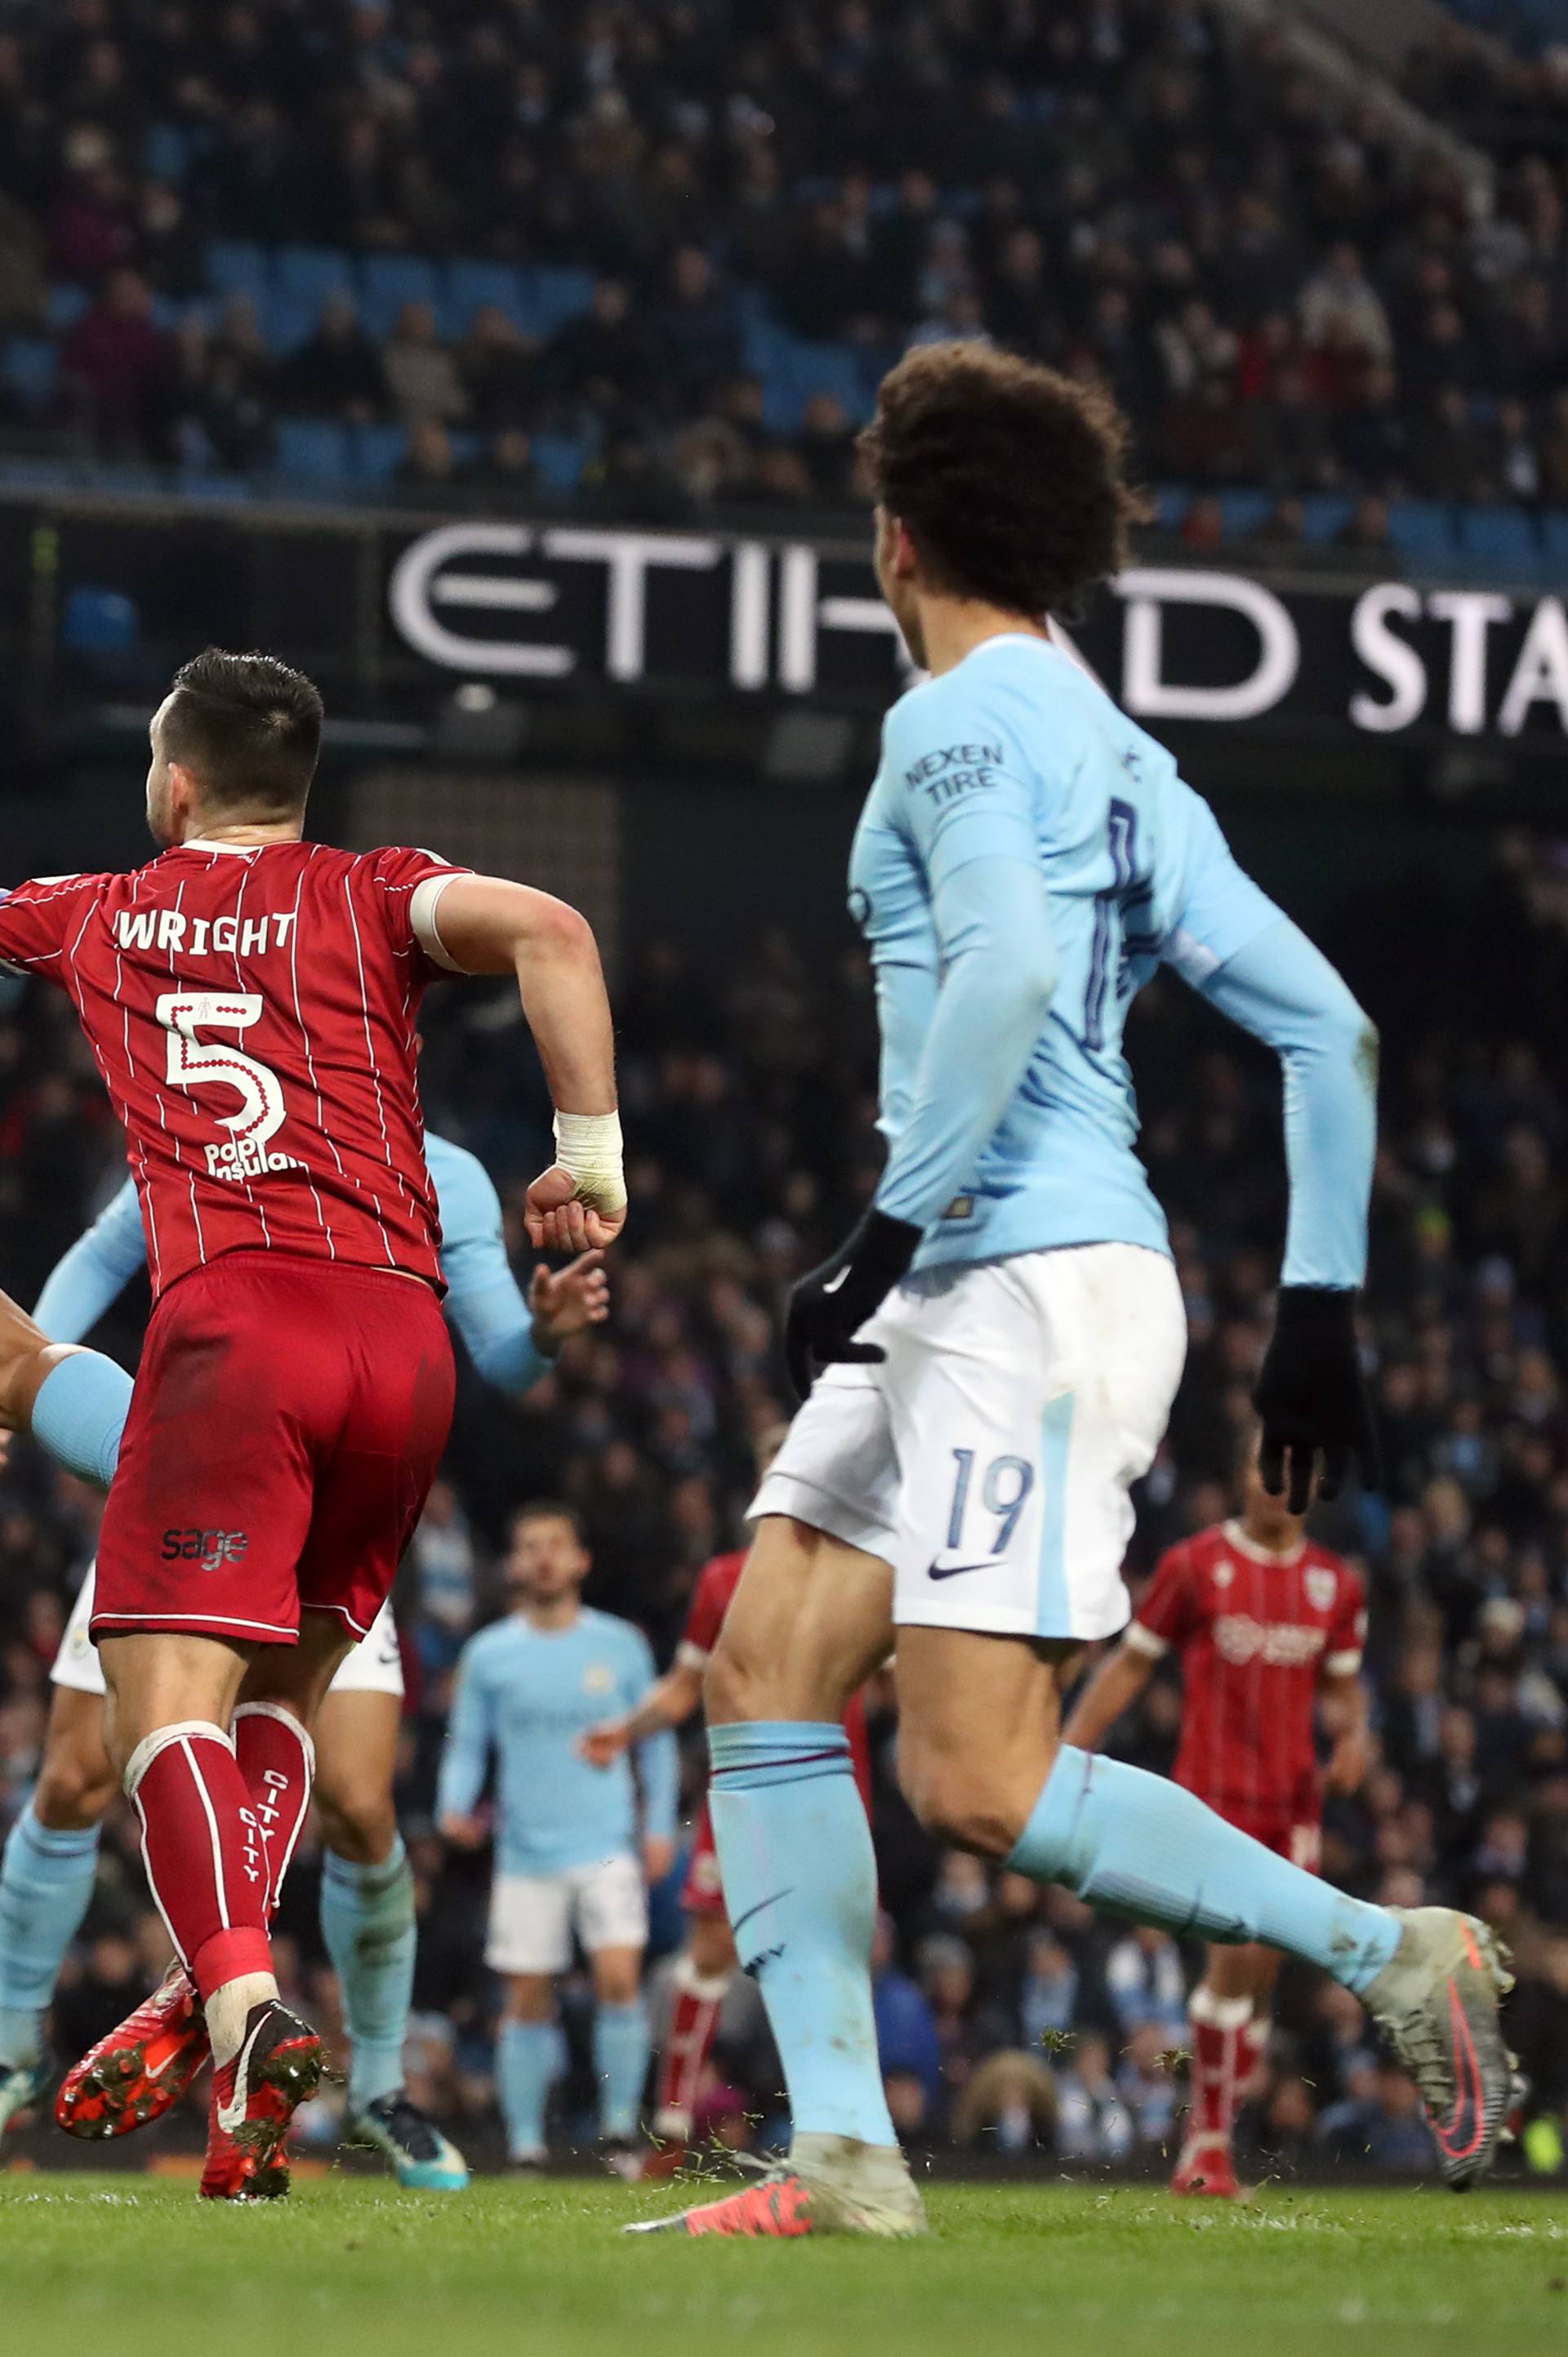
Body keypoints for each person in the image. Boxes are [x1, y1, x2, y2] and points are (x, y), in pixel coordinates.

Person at [634, 342, 1512, 2239]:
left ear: (895, 537)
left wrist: (882, 1227)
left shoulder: (947, 718)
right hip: (1001, 1285)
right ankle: (850, 2156)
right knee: (765, 1661)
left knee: (972, 1780)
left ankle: (1384, 1945)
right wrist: (1322, 1308)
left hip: (1014, 1288)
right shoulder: (1128, 757)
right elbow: (1326, 1032)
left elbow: (1013, 969)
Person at [0, 647, 624, 2199]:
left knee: (163, 1709)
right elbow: (552, 927)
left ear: (174, 782)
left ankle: (235, 1997)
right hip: (402, 1345)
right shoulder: (373, 891)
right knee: (280, 1699)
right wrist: (593, 1163)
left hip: (238, 1328)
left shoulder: (98, 908)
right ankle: (230, 2079)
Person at [0, 1146, 608, 2190]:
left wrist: (545, 1336)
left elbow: (506, 1351)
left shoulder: (416, 1161)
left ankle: (332, 2064)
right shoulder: (216, 1092)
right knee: (74, 1779)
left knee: (362, 1804)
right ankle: (46, 2046)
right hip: (295, 1436)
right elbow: (102, 1260)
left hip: (249, 1450)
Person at [1063, 1440, 1371, 2198]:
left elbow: (1339, 1688)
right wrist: (1073, 1745)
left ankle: (1212, 2133)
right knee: (1234, 1961)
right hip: (1212, 1801)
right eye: (1263, 1470)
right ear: (1242, 1476)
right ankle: (1207, 2145)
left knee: (1260, 1982)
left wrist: (1355, 1734)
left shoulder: (1337, 1586)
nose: (1276, 1487)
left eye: (1293, 1474)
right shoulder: (1195, 1566)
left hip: (1294, 1806)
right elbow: (1133, 1661)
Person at [580, 1428, 872, 2169]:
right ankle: (672, 2130)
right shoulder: (723, 1580)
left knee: (828, 1958)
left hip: (832, 1787)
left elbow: (912, 1675)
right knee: (709, 1950)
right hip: (741, 1789)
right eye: (776, 1465)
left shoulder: (867, 1573)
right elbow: (684, 1686)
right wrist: (625, 1728)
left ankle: (835, 2135)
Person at [438, 1503, 676, 2176]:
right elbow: (469, 1743)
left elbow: (651, 1743)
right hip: (526, 1851)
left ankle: (618, 2133)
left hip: (606, 1844)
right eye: (530, 1546)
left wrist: (658, 1825)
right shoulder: (490, 1654)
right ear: (515, 1564)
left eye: (555, 1546)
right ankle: (526, 2145)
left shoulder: (621, 1645)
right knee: (527, 1998)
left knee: (619, 1979)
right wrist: (453, 1804)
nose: (543, 1557)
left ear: (580, 1560)